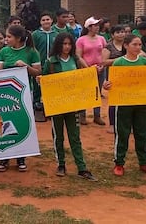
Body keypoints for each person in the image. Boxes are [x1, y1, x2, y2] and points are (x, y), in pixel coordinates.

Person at [41, 33, 97, 181]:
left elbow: (86, 74)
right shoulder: (51, 62)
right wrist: (41, 81)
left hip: (73, 104)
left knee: (75, 136)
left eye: (69, 44)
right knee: (58, 135)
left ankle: (82, 167)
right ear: (58, 45)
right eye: (64, 44)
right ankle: (61, 164)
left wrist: (93, 71)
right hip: (57, 104)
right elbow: (44, 79)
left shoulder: (76, 60)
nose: (66, 47)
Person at [105, 34, 146, 177]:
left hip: (141, 103)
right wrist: (107, 85)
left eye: (140, 45)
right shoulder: (119, 63)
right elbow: (112, 83)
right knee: (122, 133)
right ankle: (119, 163)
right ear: (126, 46)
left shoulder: (144, 62)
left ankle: (144, 162)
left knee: (142, 133)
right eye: (134, 44)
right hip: (123, 104)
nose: (138, 47)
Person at [0, 25, 41, 172]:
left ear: (18, 38)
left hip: (24, 94)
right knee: (4, 124)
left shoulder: (32, 52)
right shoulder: (3, 52)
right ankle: (5, 157)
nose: (6, 39)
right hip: (5, 95)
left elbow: (38, 73)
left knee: (21, 124)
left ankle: (21, 158)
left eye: (9, 37)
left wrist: (26, 67)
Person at [76, 17, 107, 126]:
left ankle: (97, 115)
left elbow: (104, 53)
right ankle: (82, 115)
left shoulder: (101, 39)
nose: (97, 27)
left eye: (98, 25)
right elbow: (78, 56)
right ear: (89, 27)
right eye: (95, 25)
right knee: (84, 92)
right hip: (86, 69)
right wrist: (87, 68)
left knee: (97, 92)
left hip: (99, 69)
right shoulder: (81, 40)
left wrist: (102, 66)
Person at [101, 25, 127, 133]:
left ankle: (126, 124)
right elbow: (104, 61)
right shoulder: (108, 46)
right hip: (113, 75)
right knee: (114, 100)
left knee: (127, 100)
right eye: (118, 32)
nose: (121, 34)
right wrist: (121, 59)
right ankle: (112, 124)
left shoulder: (128, 44)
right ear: (112, 34)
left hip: (128, 76)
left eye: (122, 32)